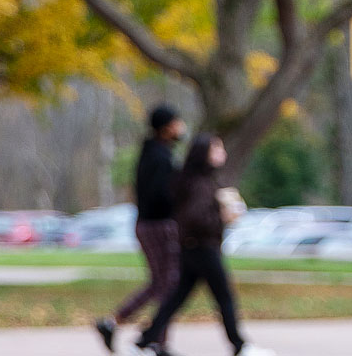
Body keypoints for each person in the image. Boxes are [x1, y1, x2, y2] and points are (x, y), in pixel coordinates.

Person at [144, 133, 268, 356]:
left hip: (191, 248)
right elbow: (195, 217)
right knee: (224, 297)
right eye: (217, 149)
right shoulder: (201, 183)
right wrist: (223, 216)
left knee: (176, 298)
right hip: (203, 248)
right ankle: (240, 346)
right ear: (205, 153)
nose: (223, 153)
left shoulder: (195, 180)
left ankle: (144, 341)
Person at [98, 105, 187, 352]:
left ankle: (113, 322)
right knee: (169, 284)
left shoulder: (152, 152)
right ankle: (158, 342)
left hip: (147, 223)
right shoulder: (160, 157)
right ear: (167, 127)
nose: (182, 127)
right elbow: (161, 194)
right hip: (159, 224)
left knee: (159, 283)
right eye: (178, 122)